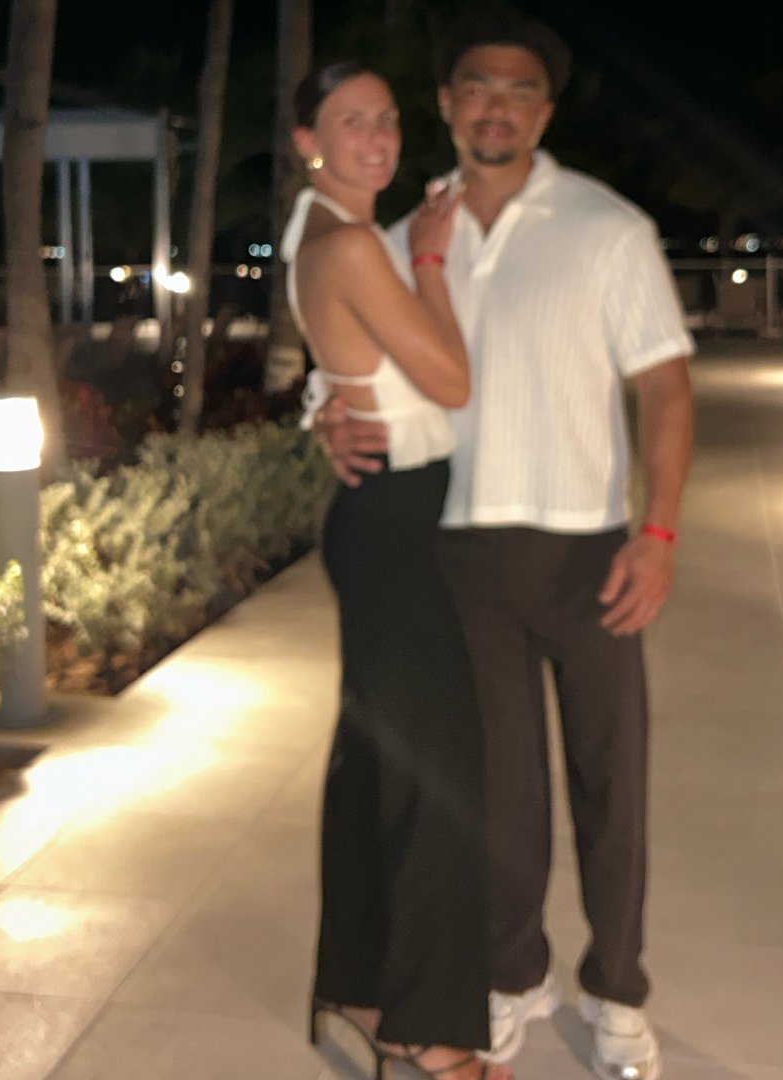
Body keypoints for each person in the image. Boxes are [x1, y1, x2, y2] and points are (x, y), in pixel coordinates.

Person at [312, 12, 695, 1080]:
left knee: (612, 783)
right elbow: (346, 372)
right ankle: (515, 973)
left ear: (546, 110)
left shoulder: (607, 228)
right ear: (445, 104)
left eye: (521, 90)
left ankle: (616, 990)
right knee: (501, 796)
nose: (497, 106)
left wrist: (659, 532)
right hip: (455, 556)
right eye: (477, 86)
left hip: (587, 554)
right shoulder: (400, 240)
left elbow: (665, 387)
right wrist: (329, 418)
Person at [282, 60, 514, 1080]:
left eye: (385, 119)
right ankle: (425, 1030)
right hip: (398, 526)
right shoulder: (354, 244)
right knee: (436, 777)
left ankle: (358, 987)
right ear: (309, 141)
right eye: (350, 122)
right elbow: (450, 380)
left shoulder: (320, 230)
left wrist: (321, 410)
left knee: (375, 764)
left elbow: (340, 363)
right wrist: (426, 258)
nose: (376, 137)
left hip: (382, 517)